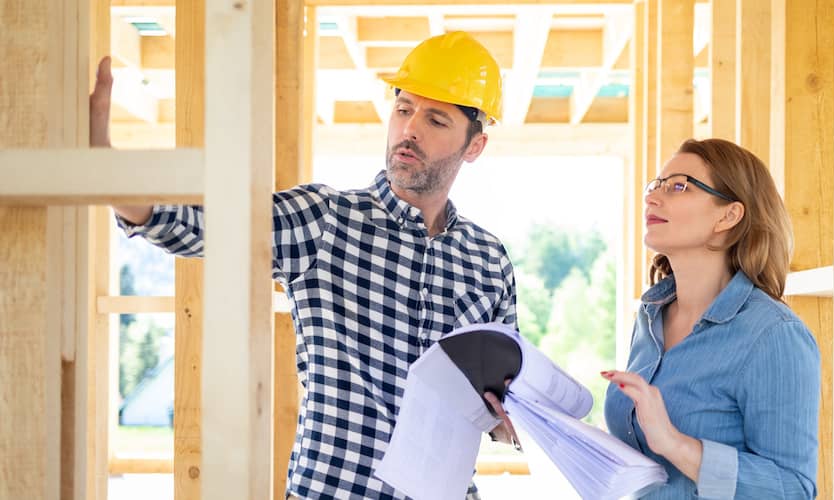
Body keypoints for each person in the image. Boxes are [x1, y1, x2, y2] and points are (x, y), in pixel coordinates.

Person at [90, 32, 522, 499]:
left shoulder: (488, 260)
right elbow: (202, 225)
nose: (409, 129)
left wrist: (506, 420)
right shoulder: (325, 221)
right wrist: (105, 169)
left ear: (473, 146)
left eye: (435, 119)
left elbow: (507, 394)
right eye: (403, 109)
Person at [601, 138, 820, 499]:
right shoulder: (650, 318)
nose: (652, 198)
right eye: (655, 185)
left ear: (729, 215)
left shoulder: (774, 335)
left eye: (679, 186)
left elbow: (793, 490)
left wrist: (675, 444)